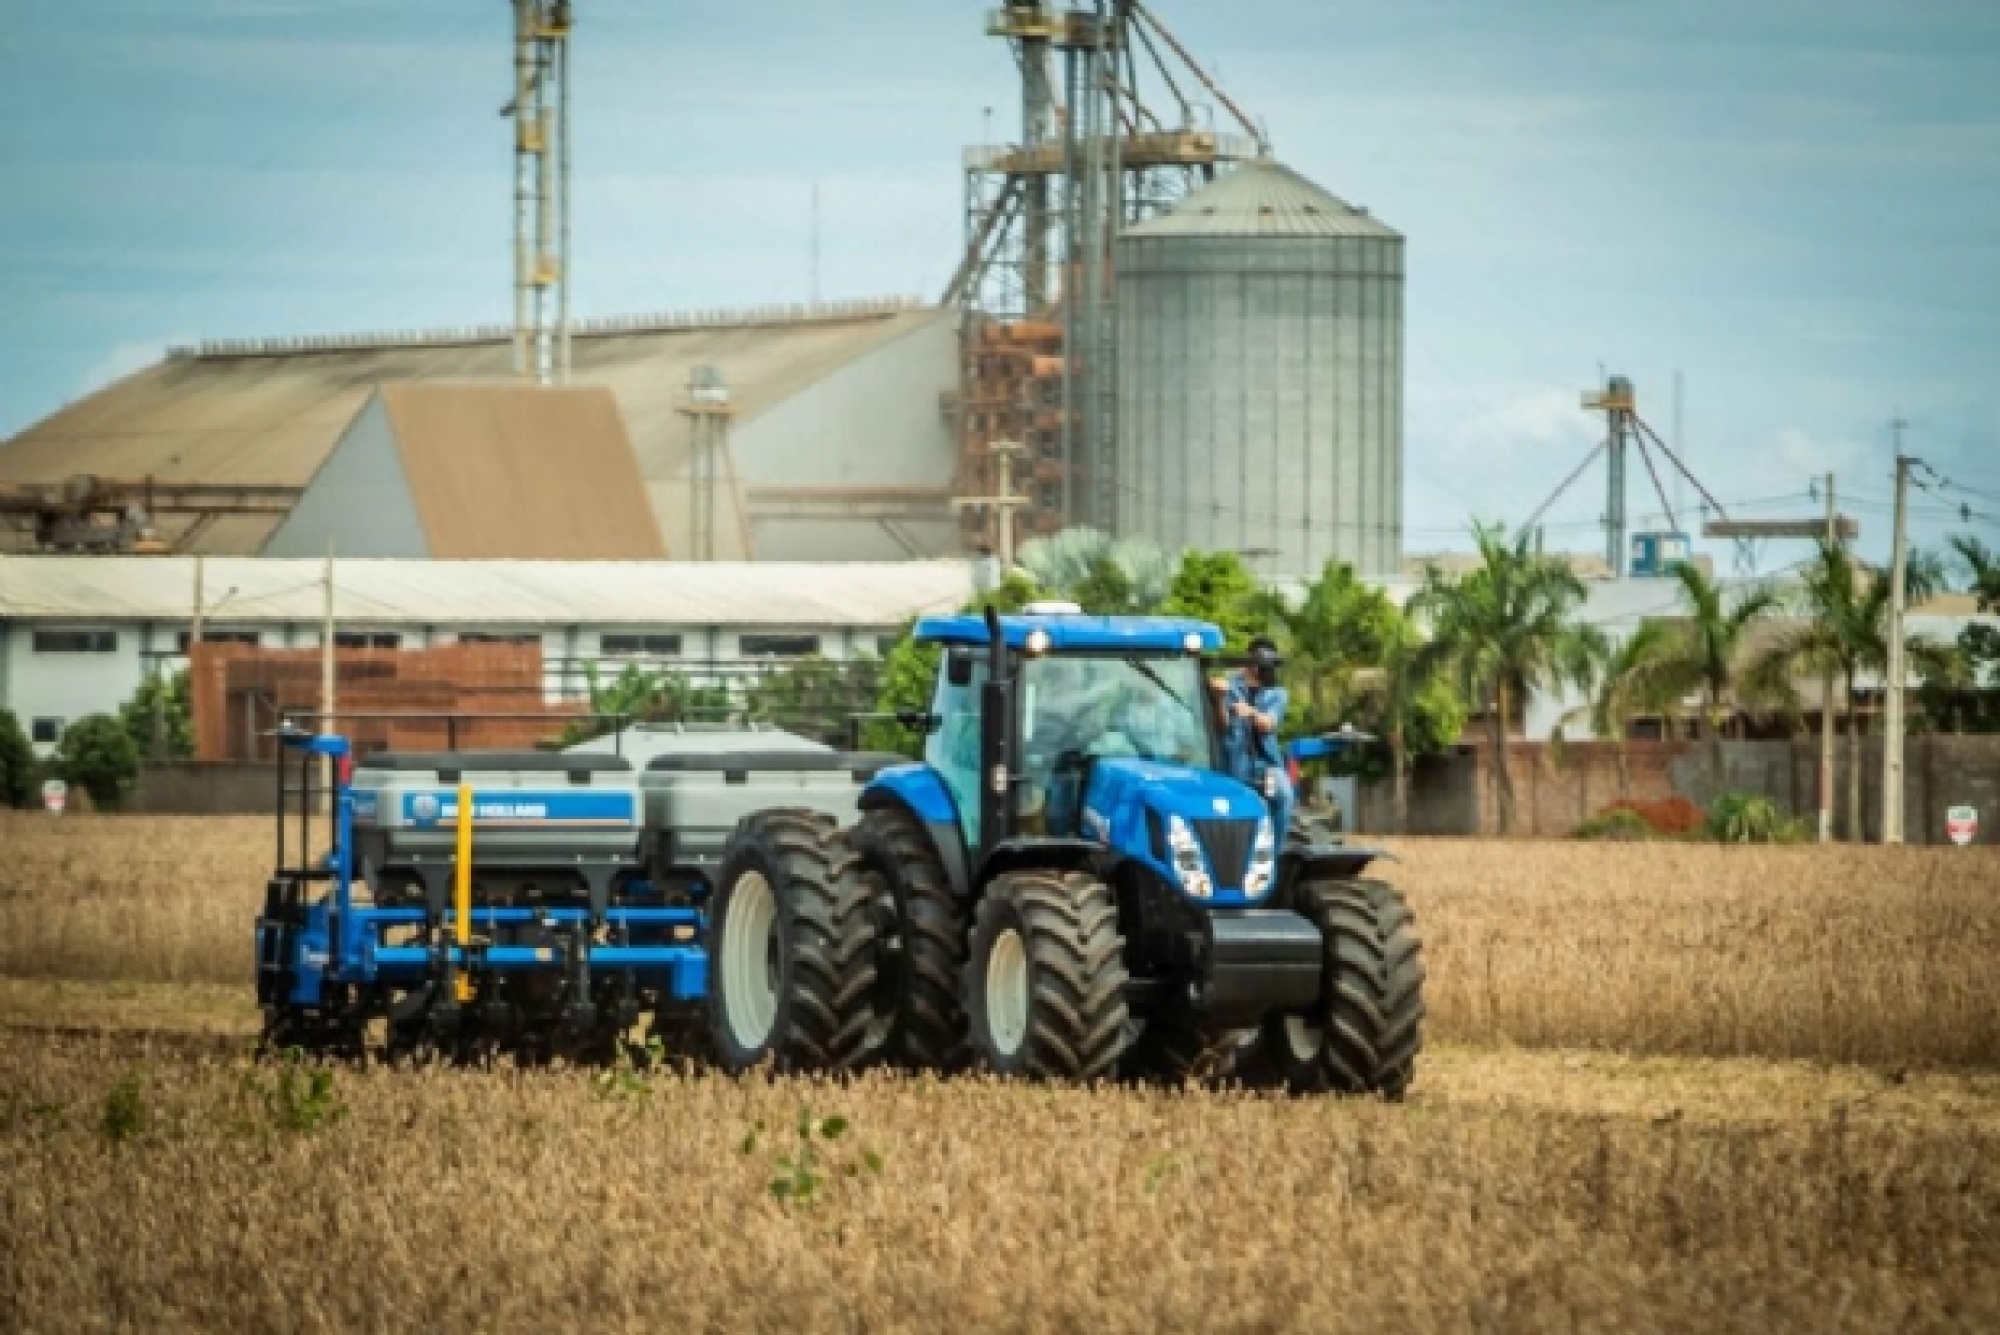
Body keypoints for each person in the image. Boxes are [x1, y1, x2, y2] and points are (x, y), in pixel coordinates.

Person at [1212, 635, 1292, 836]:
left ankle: (1274, 853)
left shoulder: (1277, 693)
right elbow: (1221, 726)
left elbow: (1268, 724)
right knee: (1231, 807)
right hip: (1235, 763)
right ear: (1250, 660)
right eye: (1261, 663)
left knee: (1284, 794)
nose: (1264, 669)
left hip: (1266, 766)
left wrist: (1251, 712)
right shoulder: (1229, 686)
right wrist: (1219, 699)